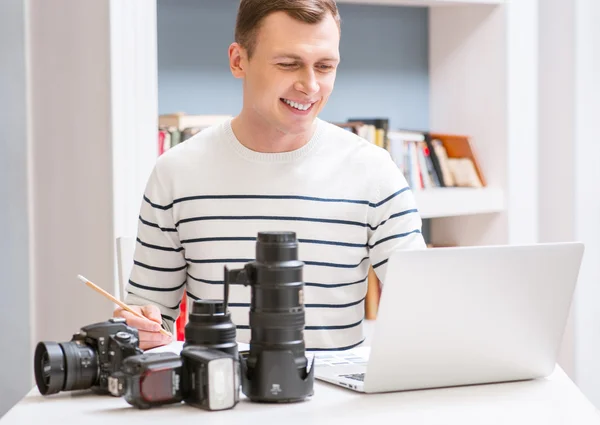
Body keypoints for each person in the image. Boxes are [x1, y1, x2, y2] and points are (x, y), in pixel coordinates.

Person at [114, 0, 427, 351]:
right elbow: (145, 319)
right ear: (238, 61)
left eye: (324, 66)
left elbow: (426, 307)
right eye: (288, 64)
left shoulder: (374, 170)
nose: (310, 86)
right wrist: (140, 328)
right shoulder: (176, 171)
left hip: (339, 403)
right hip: (219, 398)